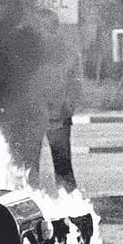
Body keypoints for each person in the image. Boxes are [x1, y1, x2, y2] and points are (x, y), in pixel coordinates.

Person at [47, 48, 83, 193]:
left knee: (62, 164)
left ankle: (69, 201)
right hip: (34, 117)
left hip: (58, 118)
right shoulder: (29, 50)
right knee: (30, 167)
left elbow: (75, 85)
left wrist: (67, 109)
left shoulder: (68, 53)